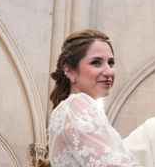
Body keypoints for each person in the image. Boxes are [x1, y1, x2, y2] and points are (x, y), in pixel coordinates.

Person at [47, 30, 136, 167]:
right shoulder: (76, 105)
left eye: (111, 63)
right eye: (96, 63)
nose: (108, 72)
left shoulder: (70, 108)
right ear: (69, 71)